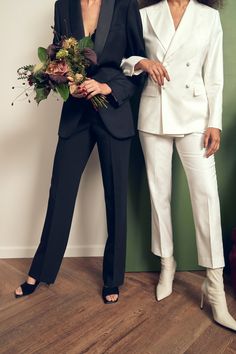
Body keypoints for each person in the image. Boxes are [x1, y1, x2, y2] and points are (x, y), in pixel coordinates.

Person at [15, 0, 145, 304]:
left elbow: (138, 62)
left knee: (115, 198)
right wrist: (65, 81)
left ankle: (112, 279)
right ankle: (40, 270)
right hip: (76, 114)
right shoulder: (63, 5)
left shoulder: (125, 5)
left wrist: (109, 89)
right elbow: (58, 57)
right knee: (60, 193)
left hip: (113, 110)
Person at [121, 0, 236, 330]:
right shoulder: (144, 15)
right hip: (153, 112)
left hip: (195, 118)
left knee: (207, 198)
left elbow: (214, 75)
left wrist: (215, 122)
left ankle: (214, 287)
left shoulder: (209, 17)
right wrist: (141, 62)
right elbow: (122, 59)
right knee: (160, 196)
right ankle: (166, 264)